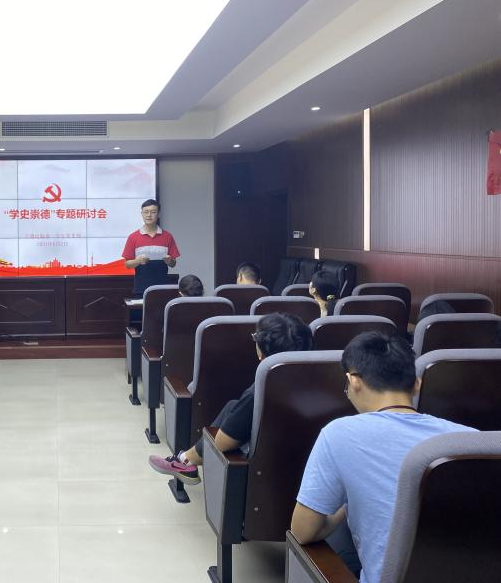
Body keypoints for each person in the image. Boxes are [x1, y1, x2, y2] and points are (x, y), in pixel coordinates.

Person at [291, 331, 474, 583]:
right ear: (417, 384)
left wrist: (346, 506)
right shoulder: (472, 440)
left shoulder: (338, 434)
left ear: (353, 381)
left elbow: (303, 531)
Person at [149, 312, 313, 485]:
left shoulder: (259, 392)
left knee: (220, 432)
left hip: (265, 468)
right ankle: (185, 460)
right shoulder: (318, 380)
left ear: (261, 353)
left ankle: (184, 460)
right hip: (302, 457)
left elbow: (222, 443)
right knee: (232, 406)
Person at [122, 199, 180, 271]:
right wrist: (138, 261)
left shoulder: (168, 236)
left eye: (153, 212)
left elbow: (173, 264)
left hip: (162, 278)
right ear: (142, 214)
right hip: (141, 278)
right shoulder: (133, 237)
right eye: (146, 212)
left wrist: (170, 261)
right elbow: (127, 265)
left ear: (158, 214)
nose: (149, 215)